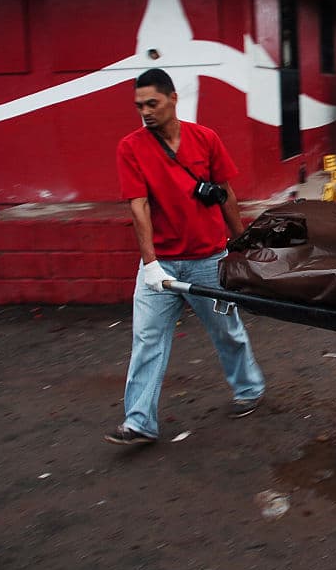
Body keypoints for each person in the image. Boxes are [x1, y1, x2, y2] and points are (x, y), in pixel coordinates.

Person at [107, 68, 266, 445]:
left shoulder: (205, 139)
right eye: (139, 105)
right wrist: (150, 264)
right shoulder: (131, 147)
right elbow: (139, 206)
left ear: (173, 98)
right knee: (147, 340)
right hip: (160, 265)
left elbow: (225, 193)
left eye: (152, 103)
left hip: (208, 259)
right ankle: (139, 421)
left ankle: (248, 388)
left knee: (227, 331)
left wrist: (239, 242)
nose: (145, 111)